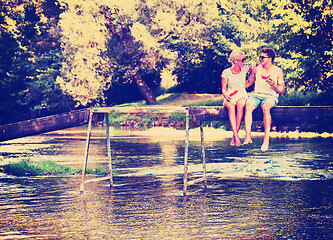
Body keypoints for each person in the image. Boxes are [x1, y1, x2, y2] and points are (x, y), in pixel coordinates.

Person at [243, 47, 285, 151]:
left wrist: (274, 84)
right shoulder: (257, 69)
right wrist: (234, 86)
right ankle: (248, 136)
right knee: (248, 106)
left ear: (270, 59)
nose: (261, 59)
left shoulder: (278, 71)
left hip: (270, 96)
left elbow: (282, 89)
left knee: (265, 107)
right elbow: (248, 82)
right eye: (260, 57)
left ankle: (266, 140)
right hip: (256, 95)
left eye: (263, 57)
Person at [221, 50, 255, 146]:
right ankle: (236, 136)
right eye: (242, 60)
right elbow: (224, 88)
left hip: (242, 94)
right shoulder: (226, 72)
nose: (244, 62)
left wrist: (254, 63)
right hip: (230, 94)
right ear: (235, 61)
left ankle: (234, 137)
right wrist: (225, 95)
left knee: (241, 105)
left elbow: (256, 66)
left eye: (245, 60)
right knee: (231, 106)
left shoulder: (244, 69)